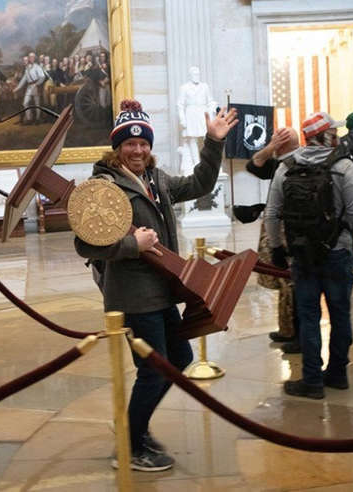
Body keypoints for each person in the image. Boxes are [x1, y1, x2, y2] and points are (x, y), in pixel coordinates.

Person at [74, 99, 237, 471]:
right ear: (117, 148)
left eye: (143, 143)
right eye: (130, 144)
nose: (138, 150)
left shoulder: (156, 179)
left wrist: (213, 143)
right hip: (132, 296)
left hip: (162, 291)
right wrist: (134, 244)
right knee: (153, 369)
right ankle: (130, 446)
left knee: (179, 359)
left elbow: (200, 182)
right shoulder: (103, 186)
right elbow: (85, 244)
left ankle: (135, 426)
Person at [265, 112, 353, 400]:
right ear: (326, 136)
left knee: (308, 315)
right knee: (341, 314)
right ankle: (338, 374)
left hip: (302, 254)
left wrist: (277, 248)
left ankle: (312, 380)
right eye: (334, 132)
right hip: (338, 251)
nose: (337, 136)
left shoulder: (286, 166)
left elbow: (272, 213)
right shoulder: (343, 166)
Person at [246, 127, 299, 347]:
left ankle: (296, 334)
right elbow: (254, 163)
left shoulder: (297, 163)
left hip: (292, 232)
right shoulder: (279, 163)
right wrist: (272, 147)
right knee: (285, 283)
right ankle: (287, 330)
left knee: (292, 284)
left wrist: (273, 146)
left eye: (276, 141)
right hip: (280, 230)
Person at [177, 66, 217, 175]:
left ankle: (206, 161)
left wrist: (212, 107)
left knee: (206, 137)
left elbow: (210, 101)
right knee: (192, 139)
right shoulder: (184, 88)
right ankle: (196, 163)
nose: (196, 76)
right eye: (194, 74)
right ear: (190, 75)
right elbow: (180, 105)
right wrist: (182, 119)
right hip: (190, 114)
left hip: (203, 113)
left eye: (198, 74)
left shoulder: (205, 87)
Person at [14, 52, 47, 125]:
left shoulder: (37, 67)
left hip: (36, 87)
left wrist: (37, 84)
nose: (31, 58)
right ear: (29, 58)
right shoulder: (27, 69)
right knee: (25, 103)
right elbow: (23, 80)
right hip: (29, 87)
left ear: (34, 58)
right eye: (30, 57)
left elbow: (42, 77)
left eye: (32, 57)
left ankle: (38, 119)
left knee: (37, 104)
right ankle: (29, 119)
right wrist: (17, 89)